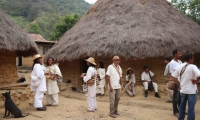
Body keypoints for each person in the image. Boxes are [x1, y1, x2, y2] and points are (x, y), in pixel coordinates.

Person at [172, 54, 200, 120]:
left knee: (182, 106)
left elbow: (174, 76)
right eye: (193, 59)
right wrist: (196, 81)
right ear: (190, 59)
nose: (193, 60)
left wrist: (179, 84)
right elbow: (199, 75)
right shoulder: (193, 66)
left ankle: (180, 118)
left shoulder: (179, 66)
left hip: (183, 90)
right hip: (192, 91)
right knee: (191, 107)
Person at [169, 50, 182, 117]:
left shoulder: (180, 61)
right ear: (175, 54)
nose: (180, 55)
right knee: (176, 97)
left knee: (180, 97)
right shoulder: (172, 63)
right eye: (179, 54)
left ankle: (181, 110)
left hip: (181, 81)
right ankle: (175, 111)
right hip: (176, 81)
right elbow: (180, 70)